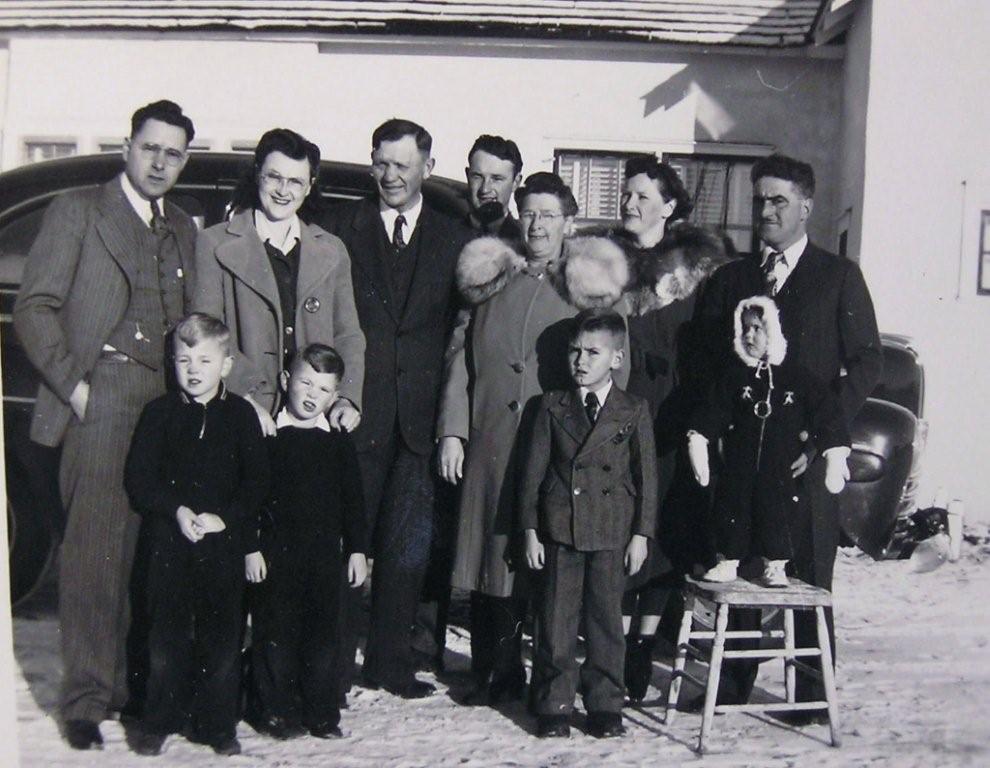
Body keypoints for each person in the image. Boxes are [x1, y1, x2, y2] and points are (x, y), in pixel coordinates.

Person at [13, 99, 198, 750]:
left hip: (164, 403)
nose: (160, 162)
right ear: (128, 146)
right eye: (151, 147)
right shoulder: (80, 212)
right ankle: (88, 699)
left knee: (150, 555)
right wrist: (77, 387)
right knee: (94, 554)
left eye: (174, 153)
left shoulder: (182, 225)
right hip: (105, 395)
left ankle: (133, 691)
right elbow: (35, 309)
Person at [697, 153, 883, 718]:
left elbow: (868, 361)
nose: (766, 211)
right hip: (746, 459)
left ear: (806, 205)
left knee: (807, 569)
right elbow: (710, 364)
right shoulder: (733, 279)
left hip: (806, 459)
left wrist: (822, 440)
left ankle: (809, 696)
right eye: (760, 200)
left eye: (779, 200)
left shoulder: (838, 276)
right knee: (747, 565)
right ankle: (731, 686)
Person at [437, 172, 630, 704]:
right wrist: (453, 431)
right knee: (489, 556)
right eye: (529, 212)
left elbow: (616, 373)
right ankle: (493, 673)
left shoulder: (589, 288)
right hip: (493, 441)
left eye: (549, 214)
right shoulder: (491, 280)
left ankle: (551, 679)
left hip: (558, 453)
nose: (537, 223)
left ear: (570, 222)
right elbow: (461, 363)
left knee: (549, 563)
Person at [322, 118, 471, 698]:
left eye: (402, 166)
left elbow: (461, 333)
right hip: (355, 414)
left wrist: (449, 423)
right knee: (345, 545)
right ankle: (331, 667)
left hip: (419, 420)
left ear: (427, 169)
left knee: (406, 551)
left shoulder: (453, 238)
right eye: (381, 163)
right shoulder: (339, 229)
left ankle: (389, 662)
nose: (389, 175)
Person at [123, 313, 269, 757]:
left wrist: (228, 518)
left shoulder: (243, 416)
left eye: (205, 360)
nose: (193, 369)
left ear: (225, 365)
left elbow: (258, 482)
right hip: (169, 540)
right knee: (163, 637)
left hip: (222, 545)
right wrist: (177, 510)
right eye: (184, 359)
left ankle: (217, 724)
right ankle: (158, 719)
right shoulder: (159, 413)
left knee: (222, 637)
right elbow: (139, 479)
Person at [612, 157, 731, 700]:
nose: (630, 204)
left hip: (667, 415)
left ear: (669, 206)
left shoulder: (695, 269)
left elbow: (709, 348)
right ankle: (611, 642)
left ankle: (641, 646)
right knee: (614, 524)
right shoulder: (603, 260)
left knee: (658, 530)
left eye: (642, 196)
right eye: (627, 195)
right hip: (613, 412)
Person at [518, 308, 657, 738]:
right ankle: (554, 704)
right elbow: (532, 474)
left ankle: (605, 705)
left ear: (616, 358)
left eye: (592, 353)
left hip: (612, 529)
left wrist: (641, 533)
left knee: (606, 623)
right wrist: (529, 529)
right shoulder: (551, 406)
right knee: (556, 622)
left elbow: (646, 477)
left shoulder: (633, 409)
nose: (580, 361)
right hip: (561, 528)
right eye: (575, 351)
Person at [191, 127, 365, 434]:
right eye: (274, 177)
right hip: (243, 409)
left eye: (296, 181)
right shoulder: (213, 243)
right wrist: (246, 400)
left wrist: (346, 399)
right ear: (258, 174)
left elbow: (348, 334)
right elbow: (208, 334)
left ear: (310, 186)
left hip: (313, 418)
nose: (283, 190)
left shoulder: (332, 249)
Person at [249, 344, 368, 741]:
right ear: (286, 381)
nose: (311, 395)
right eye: (304, 382)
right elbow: (251, 498)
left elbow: (354, 501)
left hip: (322, 560)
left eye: (322, 389)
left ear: (334, 396)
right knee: (275, 634)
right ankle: (275, 710)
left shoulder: (336, 443)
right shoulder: (268, 437)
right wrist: (251, 547)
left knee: (322, 638)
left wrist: (356, 550)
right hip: (275, 557)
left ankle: (320, 711)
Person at [687, 296, 850, 586]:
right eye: (745, 329)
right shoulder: (735, 377)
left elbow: (826, 411)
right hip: (739, 465)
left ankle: (775, 564)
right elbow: (714, 410)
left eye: (757, 329)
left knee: (780, 511)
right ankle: (728, 560)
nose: (749, 335)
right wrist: (699, 440)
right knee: (732, 507)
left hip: (780, 467)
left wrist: (834, 454)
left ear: (773, 332)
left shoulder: (796, 378)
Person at [464, 134, 524, 239]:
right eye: (477, 177)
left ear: (516, 182)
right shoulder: (443, 234)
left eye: (496, 179)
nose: (485, 189)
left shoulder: (524, 240)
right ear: (467, 175)